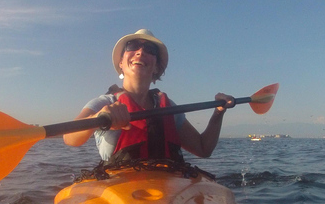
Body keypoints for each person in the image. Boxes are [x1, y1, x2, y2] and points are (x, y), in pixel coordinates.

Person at [64, 29, 235, 163]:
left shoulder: (168, 108)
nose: (140, 52)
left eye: (150, 49)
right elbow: (69, 138)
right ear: (121, 63)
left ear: (156, 68)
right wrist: (99, 117)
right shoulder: (105, 103)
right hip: (122, 194)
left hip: (166, 191)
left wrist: (218, 113)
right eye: (132, 46)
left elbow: (203, 149)